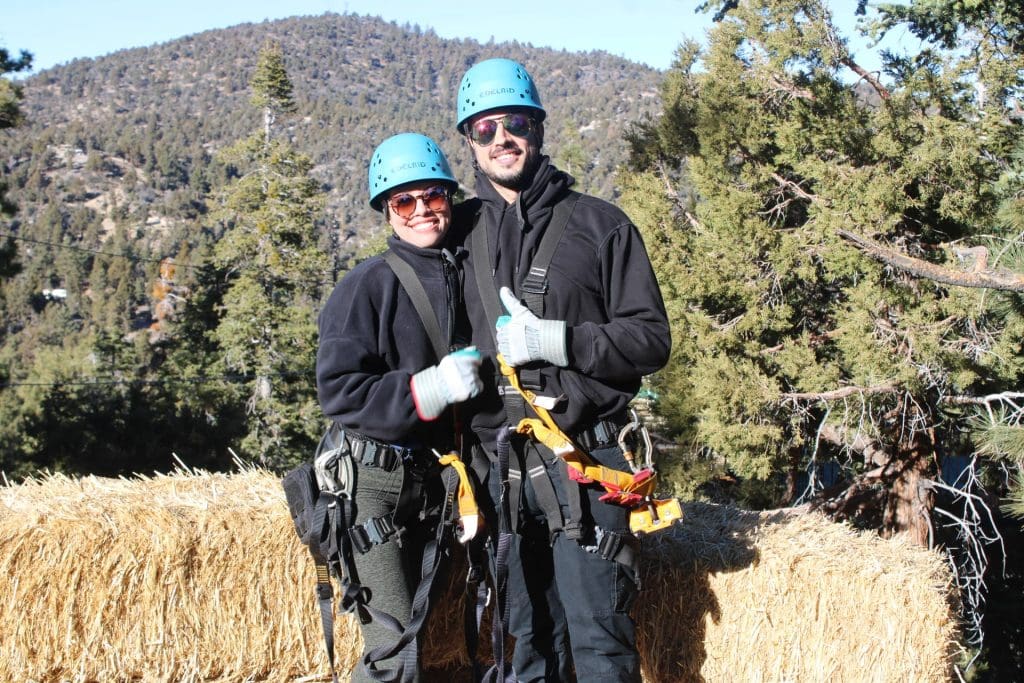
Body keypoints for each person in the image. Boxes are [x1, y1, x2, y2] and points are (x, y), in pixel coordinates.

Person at [452, 58, 672, 682]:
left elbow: (650, 339)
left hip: (588, 463)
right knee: (525, 646)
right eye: (486, 128)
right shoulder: (460, 233)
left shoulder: (601, 226)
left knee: (601, 645)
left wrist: (560, 340)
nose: (502, 139)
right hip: (504, 473)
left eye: (515, 122)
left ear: (539, 128)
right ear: (470, 142)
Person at [315, 132, 482, 683]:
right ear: (386, 211)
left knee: (422, 632)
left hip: (434, 482)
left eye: (432, 196)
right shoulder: (367, 286)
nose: (420, 211)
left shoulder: (464, 273)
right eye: (402, 201)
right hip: (374, 484)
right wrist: (426, 390)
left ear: (449, 199)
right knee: (392, 652)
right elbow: (338, 390)